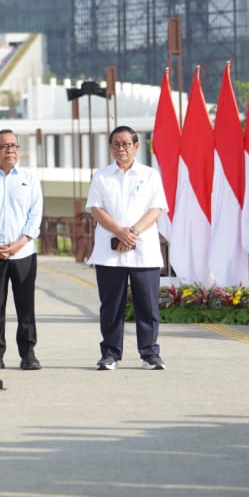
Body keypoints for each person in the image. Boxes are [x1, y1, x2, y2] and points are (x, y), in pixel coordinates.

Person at [85, 126, 168, 371]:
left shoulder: (150, 175)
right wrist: (120, 232)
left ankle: (150, 353)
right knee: (111, 305)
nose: (121, 149)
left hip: (143, 251)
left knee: (148, 305)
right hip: (110, 253)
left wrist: (132, 234)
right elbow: (95, 209)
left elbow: (157, 208)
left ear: (136, 146)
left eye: (126, 144)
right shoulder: (101, 176)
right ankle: (110, 353)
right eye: (116, 144)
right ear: (110, 148)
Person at [0, 129, 43, 371]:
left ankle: (28, 353)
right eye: (4, 146)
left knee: (25, 306)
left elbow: (35, 214)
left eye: (14, 146)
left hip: (23, 253)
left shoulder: (29, 178)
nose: (10, 150)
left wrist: (20, 243)